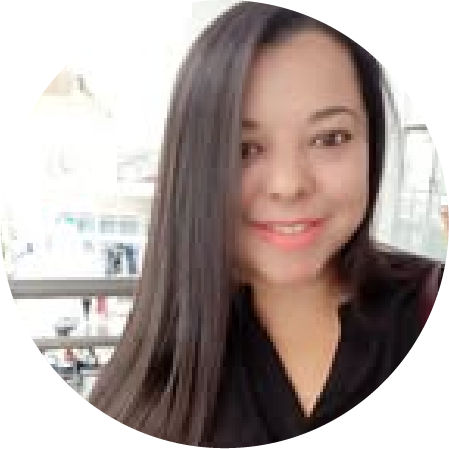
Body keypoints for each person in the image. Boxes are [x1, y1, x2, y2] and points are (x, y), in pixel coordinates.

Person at [87, 2, 446, 446]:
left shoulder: (430, 308)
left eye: (330, 138)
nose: (288, 185)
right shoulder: (150, 372)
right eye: (244, 149)